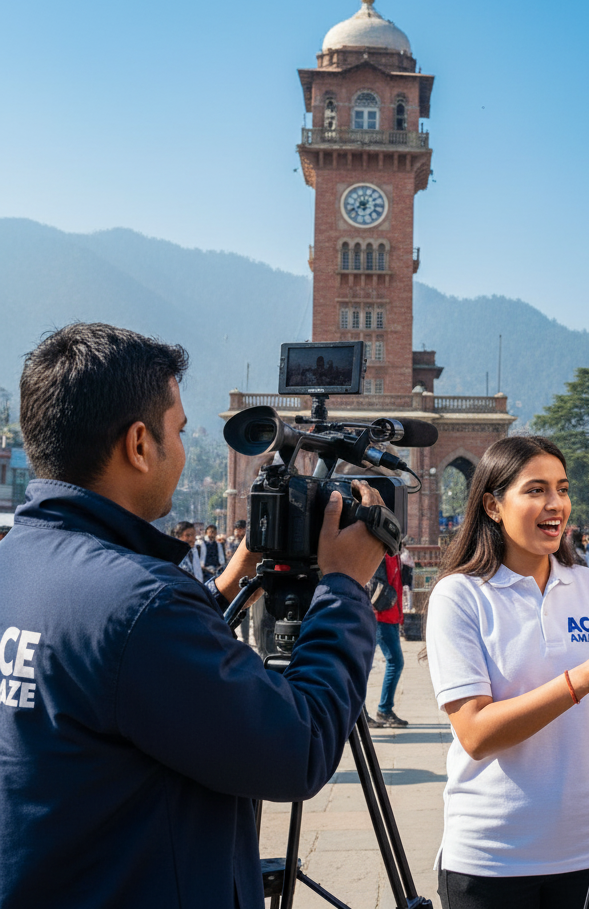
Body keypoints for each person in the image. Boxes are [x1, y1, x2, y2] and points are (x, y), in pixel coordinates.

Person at [0, 322, 388, 907]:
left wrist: (234, 574)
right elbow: (298, 748)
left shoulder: (18, 563)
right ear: (138, 444)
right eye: (178, 431)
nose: (181, 449)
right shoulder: (139, 602)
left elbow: (115, 667)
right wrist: (345, 588)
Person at [426, 436, 589, 909]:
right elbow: (475, 733)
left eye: (563, 488)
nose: (556, 504)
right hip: (493, 860)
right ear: (493, 505)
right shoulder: (460, 595)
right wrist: (580, 680)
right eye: (536, 490)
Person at [367, 552, 408, 728]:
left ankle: (379, 710)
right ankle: (383, 710)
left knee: (366, 665)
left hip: (389, 616)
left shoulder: (393, 555)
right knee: (394, 661)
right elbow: (375, 584)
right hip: (381, 616)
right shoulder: (382, 555)